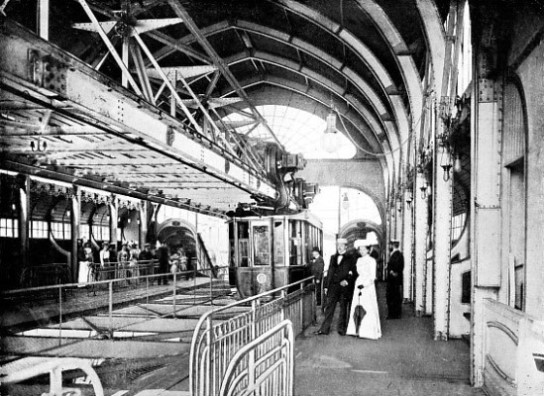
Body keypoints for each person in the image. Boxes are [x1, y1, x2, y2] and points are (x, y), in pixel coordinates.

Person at [314, 238, 357, 336]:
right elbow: (330, 272)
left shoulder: (351, 258)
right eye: (338, 245)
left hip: (344, 287)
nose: (339, 247)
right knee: (329, 308)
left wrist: (347, 280)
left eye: (342, 245)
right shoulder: (333, 257)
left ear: (346, 246)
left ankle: (341, 329)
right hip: (333, 286)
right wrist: (326, 286)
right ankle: (324, 329)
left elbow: (353, 271)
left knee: (343, 308)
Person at [346, 240, 381, 339]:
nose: (361, 251)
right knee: (356, 306)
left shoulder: (372, 261)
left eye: (364, 249)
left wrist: (364, 285)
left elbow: (373, 276)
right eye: (360, 249)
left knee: (367, 307)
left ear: (368, 250)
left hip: (368, 286)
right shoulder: (359, 260)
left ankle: (367, 332)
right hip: (358, 284)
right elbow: (357, 272)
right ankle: (356, 330)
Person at [386, 240, 404, 319]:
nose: (389, 246)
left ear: (393, 245)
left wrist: (392, 271)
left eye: (390, 245)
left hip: (394, 279)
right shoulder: (396, 254)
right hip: (394, 278)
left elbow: (398, 266)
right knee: (394, 295)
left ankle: (393, 314)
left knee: (393, 296)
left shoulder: (397, 254)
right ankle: (395, 313)